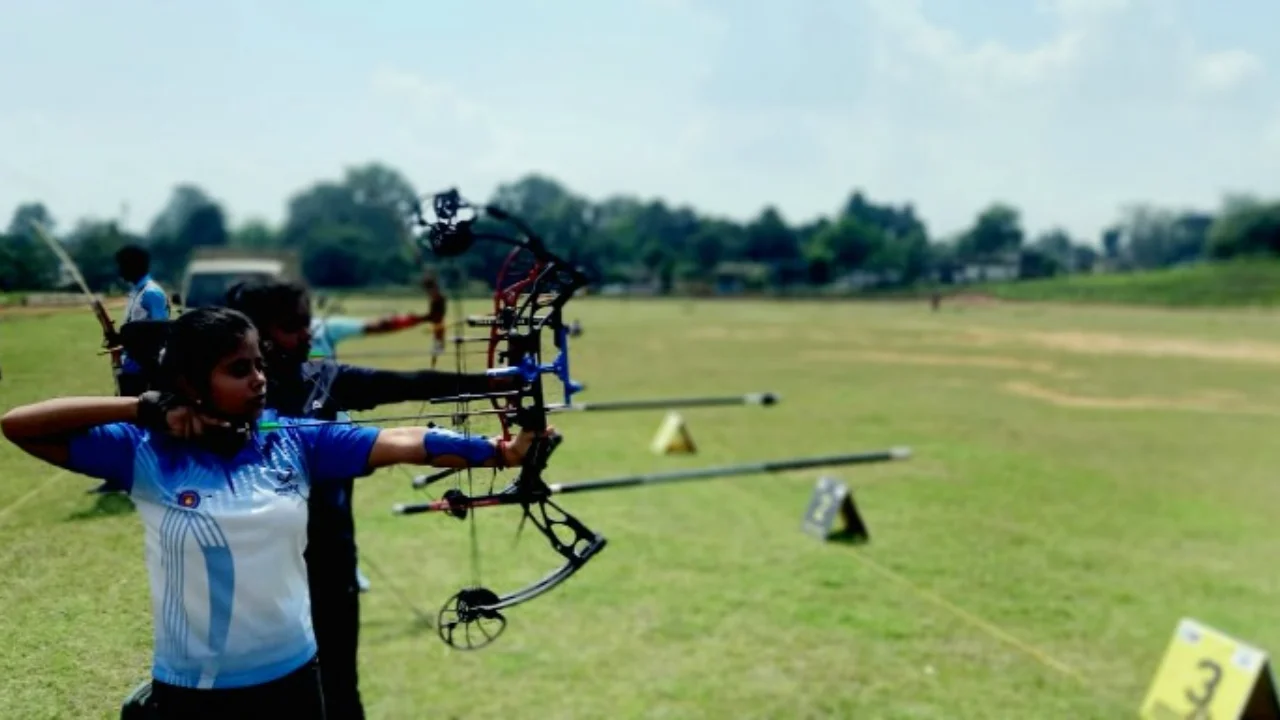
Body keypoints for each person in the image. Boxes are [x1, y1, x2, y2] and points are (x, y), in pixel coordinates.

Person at [0, 306, 547, 719]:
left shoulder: (291, 441)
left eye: (260, 364)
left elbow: (405, 439)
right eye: (239, 369)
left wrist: (501, 453)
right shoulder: (142, 449)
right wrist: (141, 407)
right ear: (190, 382)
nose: (259, 378)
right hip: (194, 690)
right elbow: (20, 423)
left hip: (294, 677)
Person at [222, 278, 509, 720]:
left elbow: (406, 383)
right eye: (291, 326)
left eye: (308, 323)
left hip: (330, 563)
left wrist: (495, 382)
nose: (306, 335)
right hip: (258, 574)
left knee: (338, 687)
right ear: (254, 333)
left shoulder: (324, 379)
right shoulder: (219, 403)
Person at [115, 244, 171, 396]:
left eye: (122, 265)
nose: (119, 271)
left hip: (144, 369)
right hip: (131, 366)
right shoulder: (136, 292)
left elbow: (160, 330)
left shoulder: (151, 293)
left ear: (132, 266)